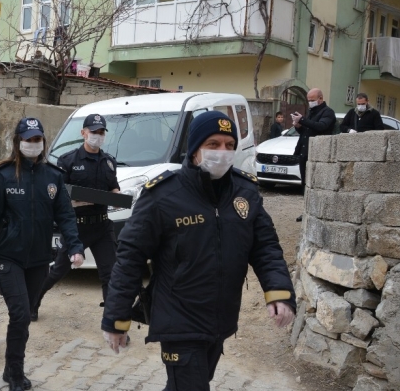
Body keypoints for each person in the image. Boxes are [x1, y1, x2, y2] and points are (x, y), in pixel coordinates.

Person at [101, 111, 296, 391]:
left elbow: (265, 247)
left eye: (229, 146)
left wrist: (279, 292)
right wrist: (115, 318)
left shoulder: (245, 192)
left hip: (220, 317)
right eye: (213, 144)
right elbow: (130, 258)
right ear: (194, 150)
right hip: (178, 319)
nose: (222, 153)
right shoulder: (163, 196)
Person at [0, 117, 85, 391]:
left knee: (24, 314)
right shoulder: (4, 175)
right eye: (28, 140)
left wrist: (76, 246)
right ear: (18, 142)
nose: (33, 144)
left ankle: (10, 369)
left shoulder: (54, 177)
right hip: (7, 257)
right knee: (21, 314)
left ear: (43, 142)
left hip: (38, 260)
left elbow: (66, 216)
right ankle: (17, 375)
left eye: (38, 140)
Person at [31, 114, 120, 322]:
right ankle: (32, 302)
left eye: (101, 132)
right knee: (58, 271)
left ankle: (113, 320)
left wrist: (118, 198)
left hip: (102, 226)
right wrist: (78, 202)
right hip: (76, 228)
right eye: (93, 132)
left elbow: (114, 188)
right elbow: (56, 195)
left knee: (111, 275)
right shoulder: (68, 160)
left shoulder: (109, 162)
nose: (97, 136)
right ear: (83, 133)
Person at [291, 88, 336, 222]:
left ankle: (318, 212)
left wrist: (303, 120)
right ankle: (306, 211)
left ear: (320, 98)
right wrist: (298, 126)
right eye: (308, 100)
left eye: (312, 100)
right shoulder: (311, 112)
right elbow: (307, 132)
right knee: (305, 184)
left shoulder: (328, 112)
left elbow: (321, 127)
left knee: (317, 184)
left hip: (318, 154)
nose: (310, 103)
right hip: (305, 152)